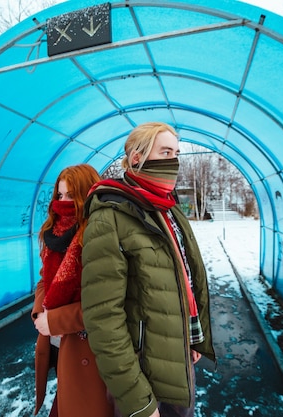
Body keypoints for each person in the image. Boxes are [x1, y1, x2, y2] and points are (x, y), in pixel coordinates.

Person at [81, 122, 216, 417]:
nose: (174, 160)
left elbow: (184, 278)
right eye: (165, 151)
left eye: (177, 152)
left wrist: (193, 337)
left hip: (177, 355)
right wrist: (137, 401)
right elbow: (104, 318)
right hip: (142, 373)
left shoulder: (167, 207)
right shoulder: (111, 216)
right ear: (136, 158)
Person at [32, 164, 114, 417]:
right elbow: (44, 279)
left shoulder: (99, 235)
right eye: (60, 195)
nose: (64, 203)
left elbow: (106, 303)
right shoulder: (53, 234)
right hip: (61, 344)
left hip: (91, 349)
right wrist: (40, 313)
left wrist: (54, 320)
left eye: (71, 196)